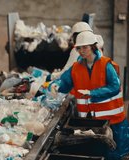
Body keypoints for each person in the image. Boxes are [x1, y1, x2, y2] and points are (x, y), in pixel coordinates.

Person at [50, 31, 129, 159]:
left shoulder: (106, 65)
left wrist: (92, 93)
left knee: (114, 153)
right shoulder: (76, 67)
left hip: (112, 119)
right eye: (79, 48)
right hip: (92, 120)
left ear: (93, 46)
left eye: (85, 47)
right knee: (98, 151)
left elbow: (114, 87)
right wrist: (56, 86)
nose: (82, 51)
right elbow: (65, 82)